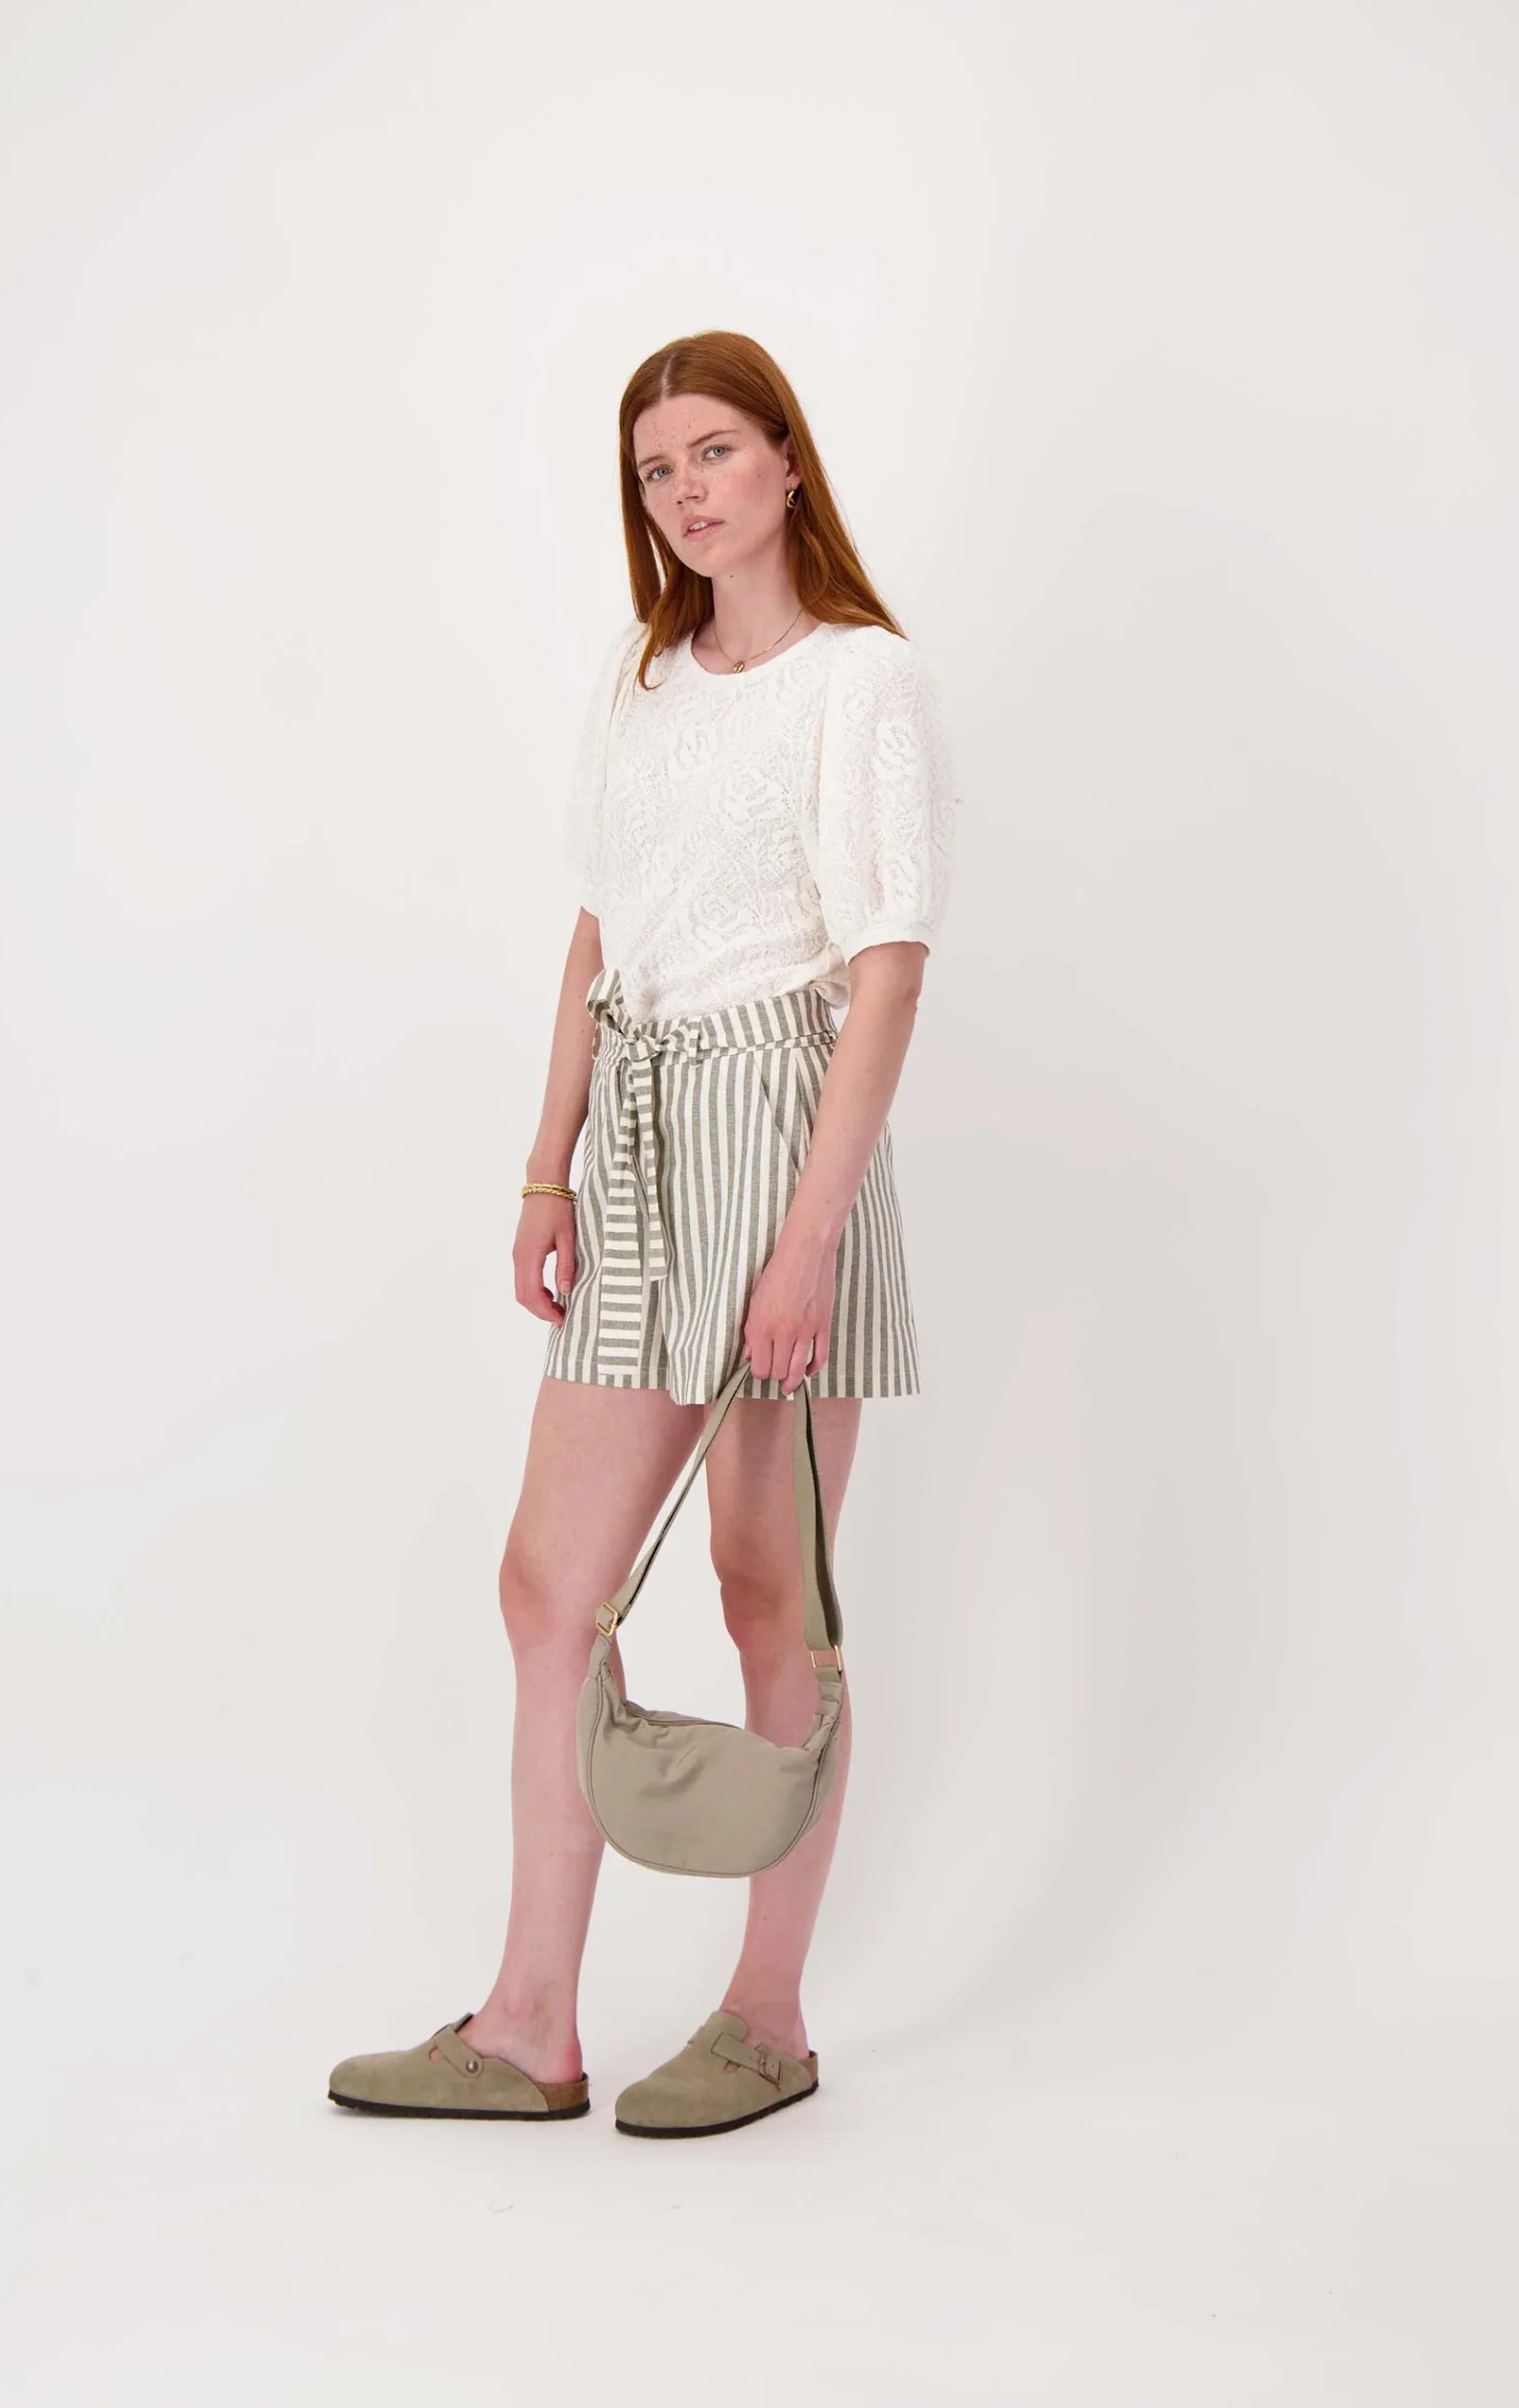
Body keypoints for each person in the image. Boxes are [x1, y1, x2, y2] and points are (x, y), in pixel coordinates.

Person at [328, 329, 958, 2138]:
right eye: (653, 469)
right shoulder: (642, 674)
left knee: (772, 1597)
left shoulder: (861, 681)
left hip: (784, 1125)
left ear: (787, 460)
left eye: (713, 452)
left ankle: (766, 2016)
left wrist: (808, 1240)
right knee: (551, 1589)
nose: (684, 491)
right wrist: (546, 1172)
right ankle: (529, 2024)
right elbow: (597, 935)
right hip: (641, 1129)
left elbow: (887, 968)